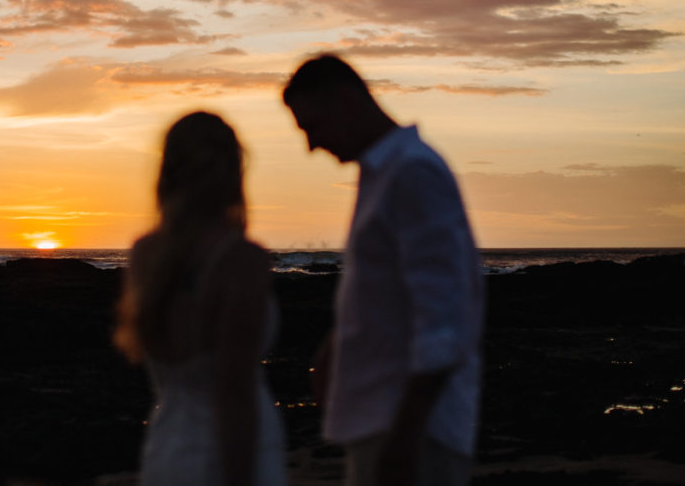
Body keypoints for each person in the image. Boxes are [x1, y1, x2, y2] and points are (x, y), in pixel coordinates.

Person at [283, 54, 484, 486]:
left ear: (345, 101)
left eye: (312, 126)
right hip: (383, 421)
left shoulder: (412, 172)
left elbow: (445, 317)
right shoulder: (385, 175)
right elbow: (394, 288)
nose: (311, 145)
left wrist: (406, 435)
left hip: (410, 429)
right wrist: (339, 343)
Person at [113, 111, 287, 486]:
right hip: (233, 455)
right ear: (233, 172)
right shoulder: (241, 259)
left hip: (166, 449)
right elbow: (234, 392)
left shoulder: (145, 255)